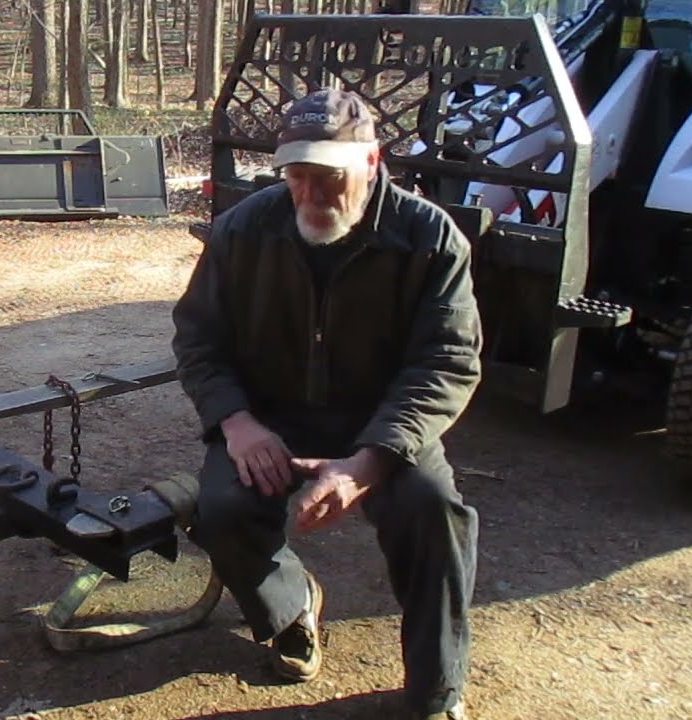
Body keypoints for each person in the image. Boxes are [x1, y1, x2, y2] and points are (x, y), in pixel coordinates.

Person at [170, 88, 483, 720]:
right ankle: (289, 613)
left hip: (384, 422)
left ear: (373, 161)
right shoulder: (243, 229)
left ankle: (436, 692)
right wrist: (236, 422)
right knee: (223, 509)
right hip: (269, 417)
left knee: (432, 510)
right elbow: (199, 338)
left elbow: (446, 362)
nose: (311, 196)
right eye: (297, 176)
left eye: (329, 178)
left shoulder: (429, 240)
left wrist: (368, 462)